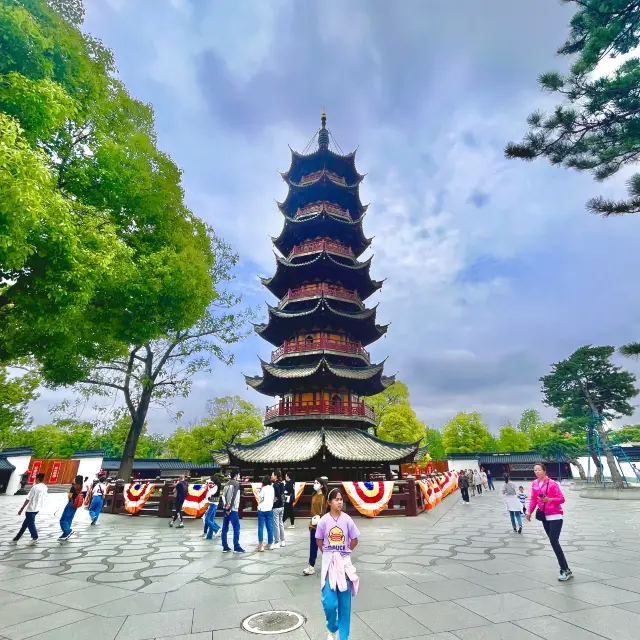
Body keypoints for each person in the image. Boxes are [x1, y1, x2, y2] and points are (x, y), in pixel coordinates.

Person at [315, 488, 360, 640]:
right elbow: (319, 540)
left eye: (341, 499)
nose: (340, 502)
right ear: (329, 502)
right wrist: (328, 553)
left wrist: (345, 552)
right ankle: (332, 627)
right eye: (336, 499)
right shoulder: (323, 521)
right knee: (329, 602)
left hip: (344, 563)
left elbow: (354, 539)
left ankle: (343, 637)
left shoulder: (347, 519)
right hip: (329, 564)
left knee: (344, 603)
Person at [527, 463, 572, 581]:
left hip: (555, 515)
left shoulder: (552, 484)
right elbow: (533, 499)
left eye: (539, 470)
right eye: (535, 470)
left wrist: (549, 499)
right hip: (544, 516)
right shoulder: (534, 484)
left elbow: (562, 499)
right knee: (554, 542)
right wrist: (529, 512)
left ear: (544, 471)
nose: (537, 472)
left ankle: (564, 569)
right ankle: (566, 568)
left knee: (553, 541)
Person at [12, 472, 47, 545]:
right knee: (25, 524)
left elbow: (28, 498)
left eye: (35, 479)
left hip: (31, 509)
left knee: (31, 524)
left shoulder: (35, 487)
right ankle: (16, 538)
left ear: (37, 479)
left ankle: (35, 537)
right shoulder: (44, 487)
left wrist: (21, 508)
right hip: (37, 508)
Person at [303, 477, 328, 575]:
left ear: (322, 485)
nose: (315, 484)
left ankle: (330, 564)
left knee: (325, 546)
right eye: (314, 482)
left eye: (317, 483)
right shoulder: (313, 496)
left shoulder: (323, 497)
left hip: (321, 525)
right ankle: (311, 566)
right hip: (313, 524)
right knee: (313, 546)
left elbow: (323, 511)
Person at [221, 470, 244, 553]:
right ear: (236, 475)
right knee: (236, 527)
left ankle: (225, 546)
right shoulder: (236, 484)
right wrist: (230, 508)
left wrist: (226, 506)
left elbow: (223, 496)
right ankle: (236, 546)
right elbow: (234, 497)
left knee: (225, 527)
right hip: (233, 509)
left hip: (225, 508)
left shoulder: (226, 484)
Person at [59, 475, 83, 541]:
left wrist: (68, 491)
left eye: (74, 478)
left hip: (71, 503)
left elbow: (69, 497)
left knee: (63, 519)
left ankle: (68, 531)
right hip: (75, 505)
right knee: (69, 519)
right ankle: (66, 534)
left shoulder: (73, 487)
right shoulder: (81, 487)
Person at [257, 474, 275, 552]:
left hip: (262, 509)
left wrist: (258, 493)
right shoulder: (272, 488)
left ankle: (261, 545)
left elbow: (260, 498)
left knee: (261, 527)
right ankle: (270, 544)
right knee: (269, 527)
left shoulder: (263, 489)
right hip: (269, 509)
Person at [202, 475, 221, 540]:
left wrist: (208, 486)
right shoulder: (215, 485)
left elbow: (211, 492)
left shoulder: (216, 486)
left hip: (213, 503)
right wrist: (207, 485)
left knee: (207, 519)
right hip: (213, 503)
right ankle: (209, 536)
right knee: (211, 519)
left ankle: (217, 529)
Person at [271, 470, 286, 548]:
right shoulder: (282, 483)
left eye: (272, 475)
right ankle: (283, 540)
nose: (271, 476)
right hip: (282, 506)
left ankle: (277, 541)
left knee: (276, 524)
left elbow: (275, 496)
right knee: (281, 523)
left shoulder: (274, 485)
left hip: (276, 506)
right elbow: (282, 495)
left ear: (276, 476)